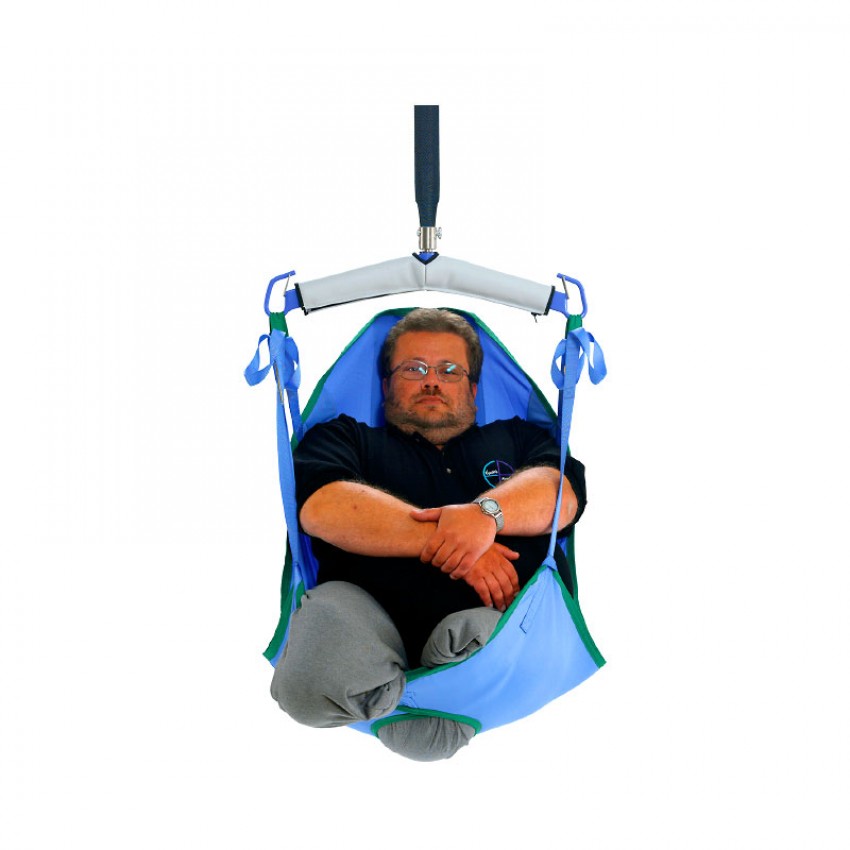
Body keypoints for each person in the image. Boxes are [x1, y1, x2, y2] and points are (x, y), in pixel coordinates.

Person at [270, 308, 587, 760]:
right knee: (305, 686)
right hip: (361, 637)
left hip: (488, 636)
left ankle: (438, 683)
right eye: (414, 369)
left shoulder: (519, 438)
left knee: (476, 634)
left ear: (473, 389)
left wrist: (484, 516)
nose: (432, 381)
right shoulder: (345, 438)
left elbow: (561, 496)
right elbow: (323, 509)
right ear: (386, 385)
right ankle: (403, 684)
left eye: (449, 370)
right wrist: (462, 547)